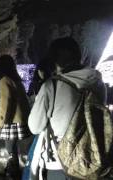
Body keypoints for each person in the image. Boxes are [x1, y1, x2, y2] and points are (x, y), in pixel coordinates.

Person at [28, 37, 107, 180]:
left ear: (54, 61)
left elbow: (35, 127)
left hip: (60, 162)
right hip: (93, 158)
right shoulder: (98, 83)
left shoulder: (52, 86)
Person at [0, 55, 31, 179]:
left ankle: (13, 174)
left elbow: (6, 102)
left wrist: (1, 121)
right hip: (20, 119)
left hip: (11, 121)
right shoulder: (16, 79)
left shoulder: (5, 80)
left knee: (10, 148)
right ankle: (10, 170)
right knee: (12, 147)